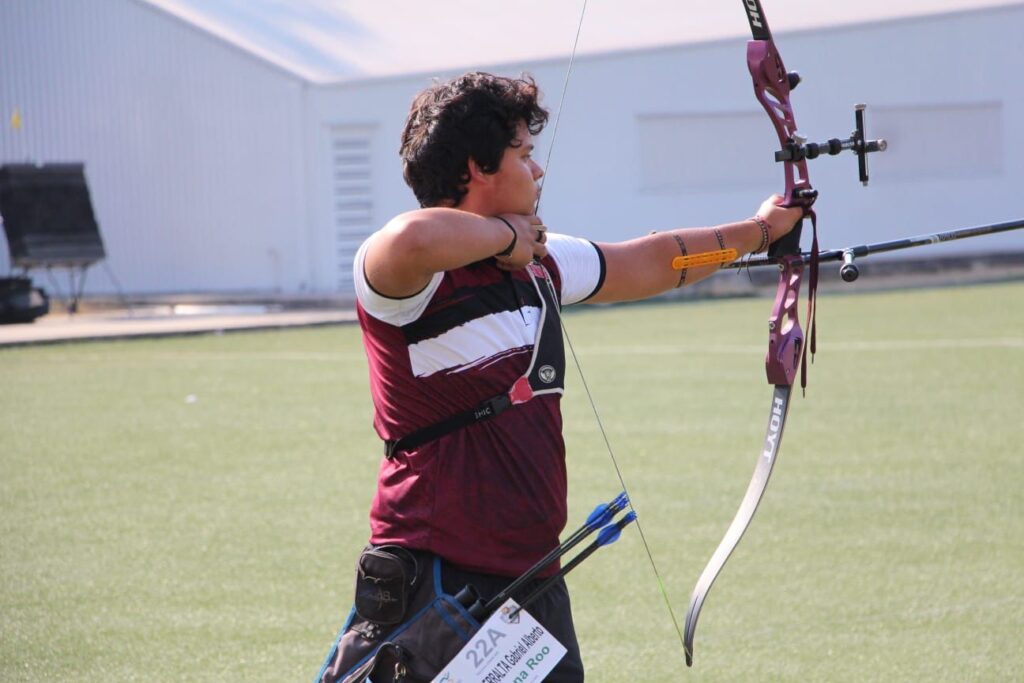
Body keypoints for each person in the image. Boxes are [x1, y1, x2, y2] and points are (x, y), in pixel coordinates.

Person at [316, 71, 801, 683]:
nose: (538, 170)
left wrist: (758, 233)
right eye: (523, 155)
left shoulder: (540, 263)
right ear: (477, 168)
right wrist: (504, 236)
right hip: (436, 578)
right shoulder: (407, 282)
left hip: (533, 581)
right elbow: (411, 237)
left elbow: (653, 262)